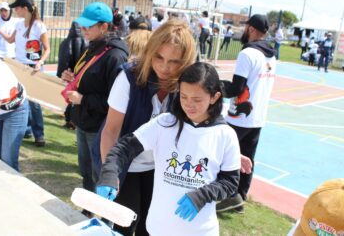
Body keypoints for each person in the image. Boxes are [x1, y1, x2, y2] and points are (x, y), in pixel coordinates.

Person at [96, 62, 241, 236]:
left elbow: (230, 182)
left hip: (201, 231)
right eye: (183, 96)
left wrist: (202, 196)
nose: (189, 104)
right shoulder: (164, 123)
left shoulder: (226, 135)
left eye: (197, 99)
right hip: (157, 229)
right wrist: (109, 173)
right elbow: (123, 148)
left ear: (214, 97)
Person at [92, 19, 196, 236]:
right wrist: (110, 173)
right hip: (123, 163)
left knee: (152, 225)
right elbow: (110, 131)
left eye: (174, 61)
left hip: (157, 167)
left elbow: (206, 118)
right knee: (123, 223)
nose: (164, 67)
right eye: (159, 57)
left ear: (185, 61)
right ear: (150, 51)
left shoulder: (187, 83)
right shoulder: (129, 77)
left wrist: (226, 149)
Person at [60, 2, 128, 200]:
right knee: (86, 172)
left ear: (104, 27)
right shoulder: (94, 47)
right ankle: (89, 208)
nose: (83, 30)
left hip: (101, 128)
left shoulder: (115, 56)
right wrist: (73, 79)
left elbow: (115, 102)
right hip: (84, 122)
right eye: (82, 25)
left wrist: (82, 99)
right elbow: (90, 80)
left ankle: (105, 217)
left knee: (102, 177)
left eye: (88, 26)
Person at [216, 14, 277, 213]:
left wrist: (213, 86)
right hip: (258, 116)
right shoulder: (271, 54)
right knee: (248, 158)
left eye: (245, 27)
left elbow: (236, 88)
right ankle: (240, 198)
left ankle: (226, 195)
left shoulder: (248, 53)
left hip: (240, 116)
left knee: (226, 155)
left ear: (250, 29)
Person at [0, 0, 50, 147]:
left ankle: (39, 134)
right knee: (20, 99)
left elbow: (47, 49)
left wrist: (40, 62)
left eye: (16, 7)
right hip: (19, 66)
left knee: (34, 102)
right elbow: (10, 40)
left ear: (25, 8)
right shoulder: (19, 24)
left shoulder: (39, 26)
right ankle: (26, 130)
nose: (14, 10)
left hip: (33, 68)